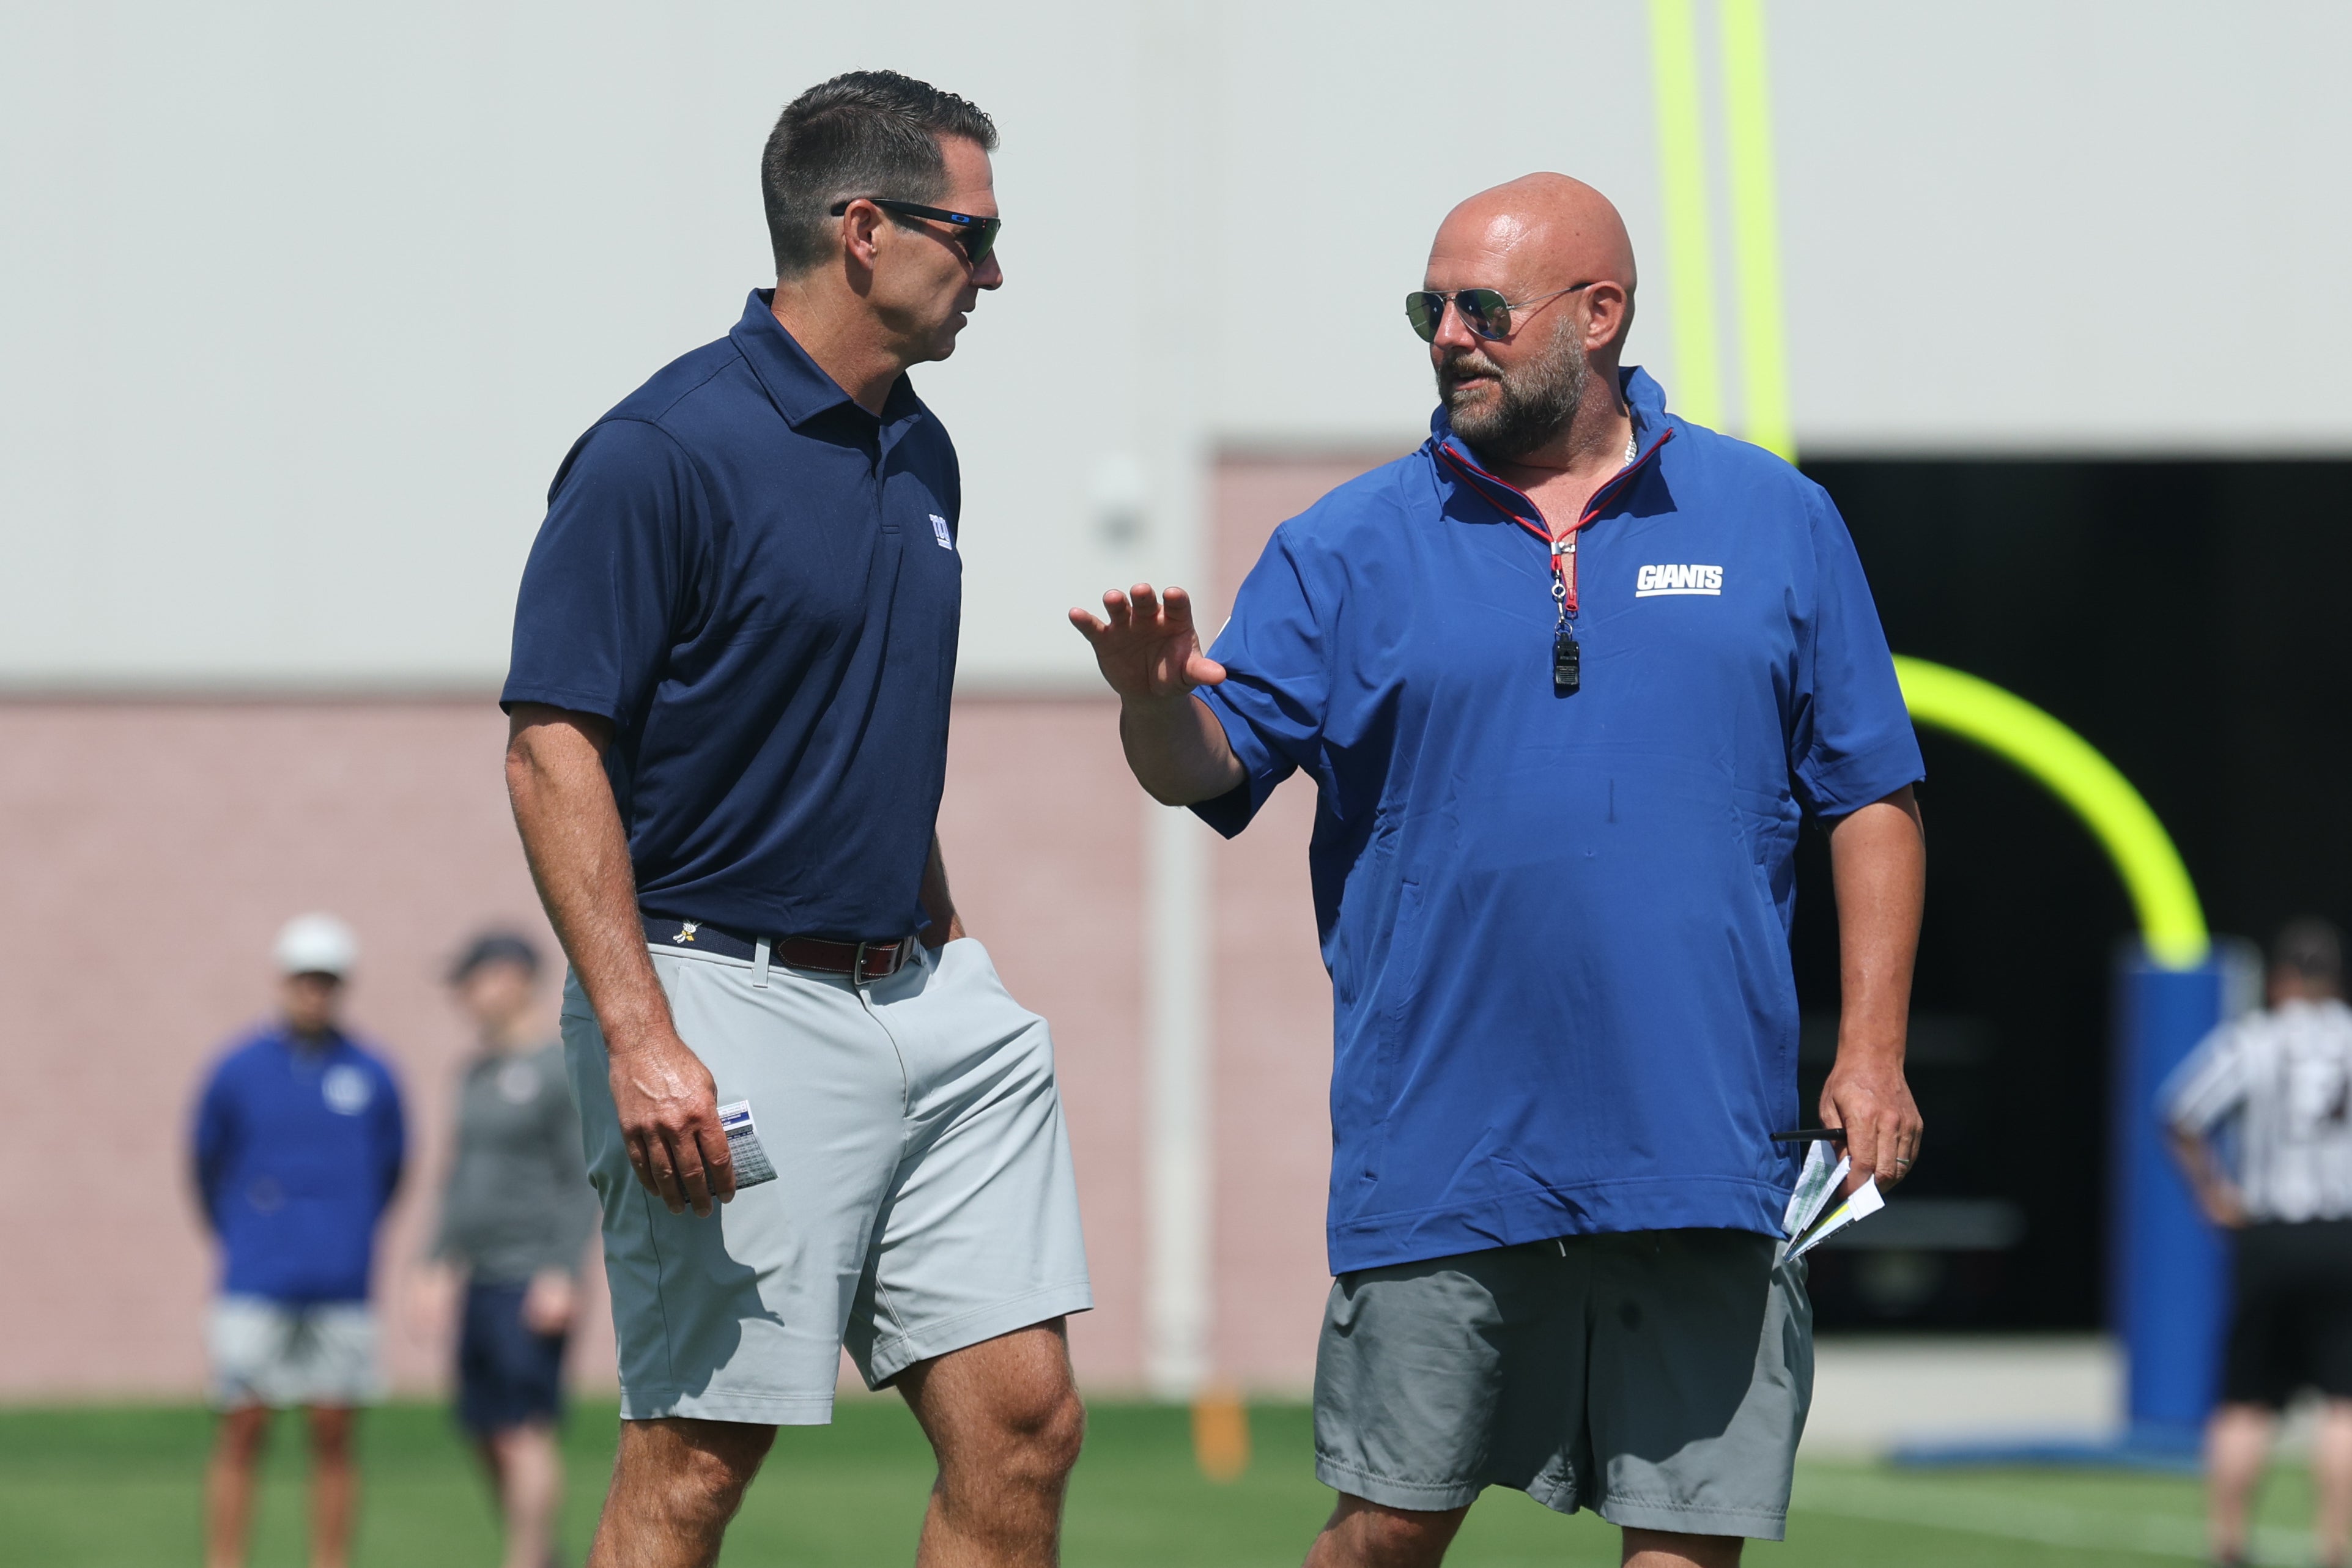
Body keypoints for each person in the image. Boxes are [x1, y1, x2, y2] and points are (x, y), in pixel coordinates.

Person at [1071, 174, 1928, 1568]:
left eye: (1482, 307)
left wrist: (1873, 1051)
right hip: (1445, 1148)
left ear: (1600, 314)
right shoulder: (1345, 547)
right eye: (1429, 308)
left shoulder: (1773, 518)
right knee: (1386, 1532)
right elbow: (1206, 770)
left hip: (1699, 1144)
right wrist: (1152, 700)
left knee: (1684, 1545)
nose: (1446, 336)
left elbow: (1870, 797)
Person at [500, 70, 1090, 1568]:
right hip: (718, 1001)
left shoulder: (923, 446)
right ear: (866, 230)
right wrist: (639, 1034)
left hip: (925, 989)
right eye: (976, 235)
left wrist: (950, 939)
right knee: (695, 1461)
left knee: (1024, 1422)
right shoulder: (660, 452)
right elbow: (551, 748)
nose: (997, 274)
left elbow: (863, 719)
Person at [191, 914, 406, 1568]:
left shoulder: (371, 1072)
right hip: (256, 1277)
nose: (315, 992)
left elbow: (394, 1166)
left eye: (328, 980)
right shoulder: (236, 1069)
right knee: (243, 1426)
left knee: (334, 1429)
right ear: (282, 981)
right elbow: (205, 1164)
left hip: (340, 1281)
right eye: (305, 979)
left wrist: (348, 1231)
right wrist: (246, 1235)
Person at [2166, 918, 2352, 1568]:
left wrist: (2213, 1192)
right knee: (2343, 1399)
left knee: (2244, 1398)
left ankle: (2229, 1543)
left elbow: (2181, 1111)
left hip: (2269, 1232)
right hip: (2342, 1233)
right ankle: (2334, 1545)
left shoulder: (2255, 1037)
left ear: (2279, 980)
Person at [410, 930, 596, 1568]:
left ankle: (526, 1560)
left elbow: (579, 1180)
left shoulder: (558, 1066)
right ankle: (543, 1554)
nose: (464, 992)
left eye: (474, 976)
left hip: (531, 1275)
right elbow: (457, 1177)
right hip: (480, 1278)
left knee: (524, 1429)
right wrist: (433, 1261)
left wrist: (562, 1270)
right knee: (484, 1428)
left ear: (514, 975)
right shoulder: (473, 1073)